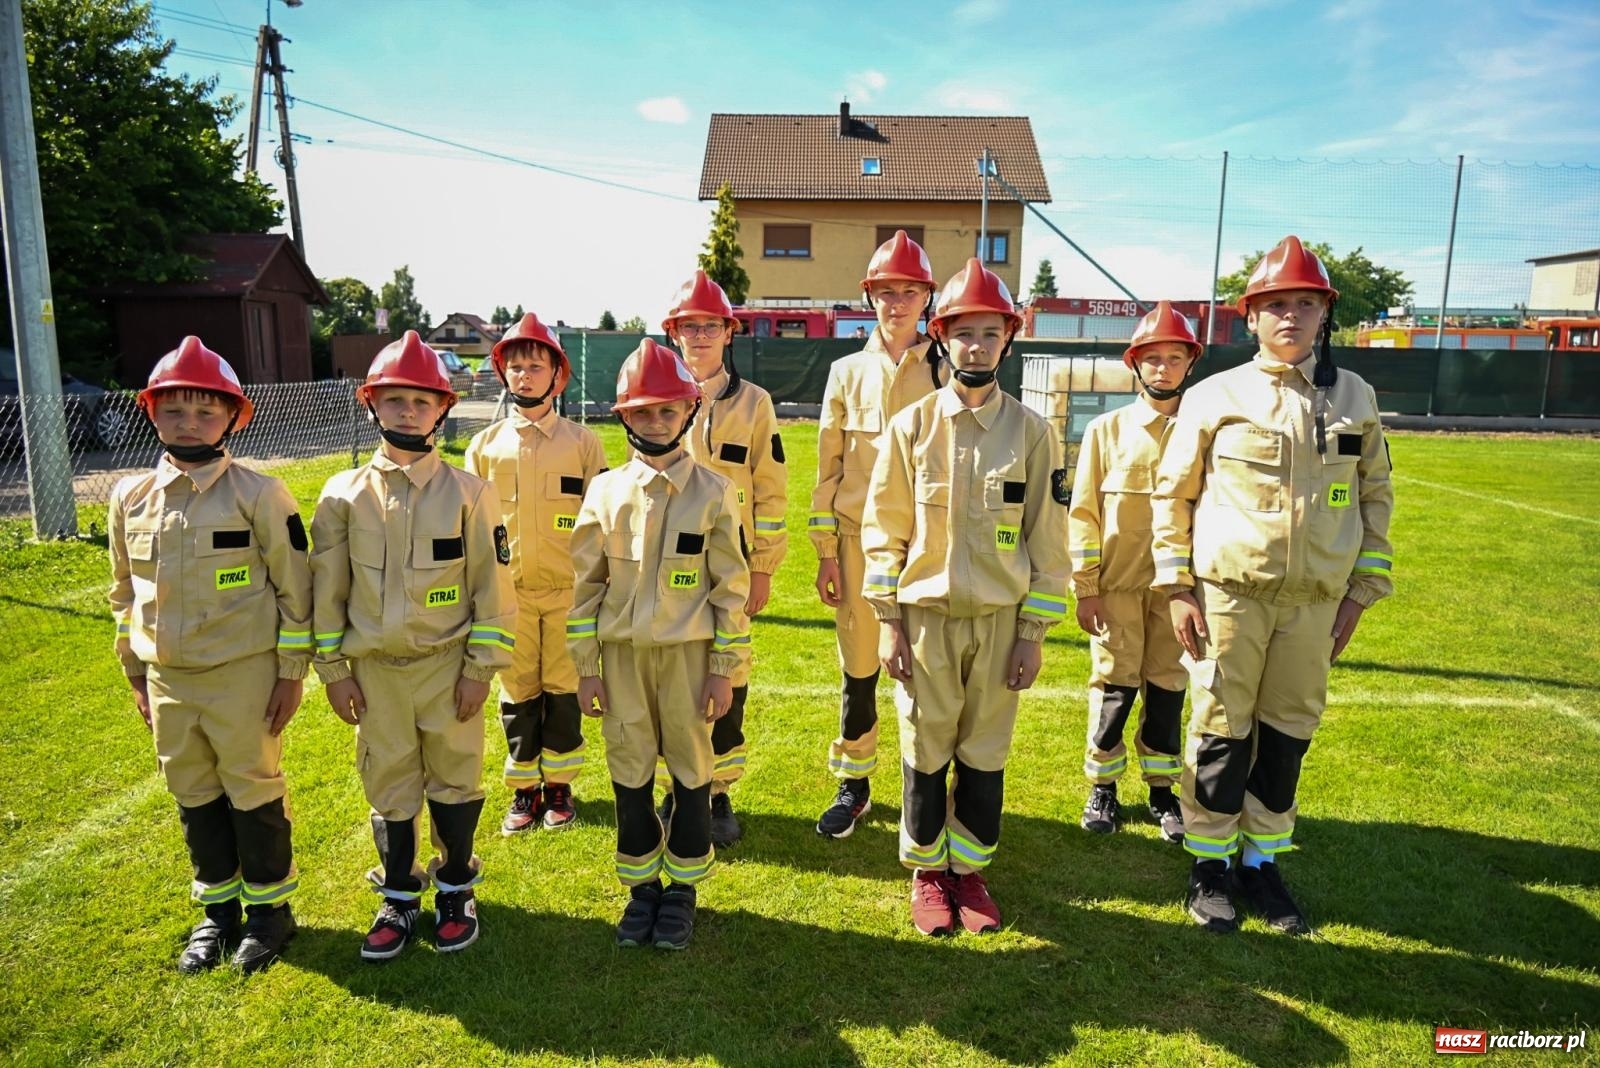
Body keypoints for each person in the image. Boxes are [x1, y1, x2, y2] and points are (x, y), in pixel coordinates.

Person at [1152, 236, 1394, 935]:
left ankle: (1262, 861)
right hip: (1231, 597)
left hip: (1316, 603)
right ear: (1250, 317)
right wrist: (1175, 587)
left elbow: (1376, 494)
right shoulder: (1213, 396)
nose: (1291, 317)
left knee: (1288, 733)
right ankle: (1209, 865)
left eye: (1306, 304)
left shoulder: (1356, 397)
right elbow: (1172, 496)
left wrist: (1360, 592)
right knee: (1222, 731)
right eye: (1276, 305)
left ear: (1325, 315)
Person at [862, 259, 1070, 936]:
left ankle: (969, 871)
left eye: (989, 332)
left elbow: (1048, 542)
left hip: (1001, 623)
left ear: (1008, 339)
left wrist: (1032, 635)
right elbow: (884, 530)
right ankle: (927, 871)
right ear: (941, 338)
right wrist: (888, 624)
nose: (975, 345)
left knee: (985, 750)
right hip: (924, 622)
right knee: (925, 747)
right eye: (963, 333)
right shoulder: (911, 429)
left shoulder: (1034, 434)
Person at [310, 330, 516, 961]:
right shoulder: (341, 496)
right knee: (390, 782)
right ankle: (399, 895)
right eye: (394, 399)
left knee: (455, 778)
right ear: (371, 403)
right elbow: (326, 593)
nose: (407, 411)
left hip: (448, 667)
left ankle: (455, 886)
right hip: (374, 674)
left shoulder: (470, 494)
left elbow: (493, 590)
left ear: (442, 409)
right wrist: (333, 670)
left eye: (421, 401)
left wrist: (481, 670)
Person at [108, 336, 310, 974]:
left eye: (204, 411)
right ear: (152, 411)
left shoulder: (260, 495)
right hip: (168, 681)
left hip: (243, 676)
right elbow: (123, 593)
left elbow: (294, 591)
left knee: (252, 789)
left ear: (233, 417)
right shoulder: (129, 498)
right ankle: (217, 913)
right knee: (192, 791)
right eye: (173, 410)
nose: (188, 423)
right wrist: (137, 672)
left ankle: (271, 914)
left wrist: (289, 674)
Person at [568, 339, 750, 950]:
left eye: (668, 411)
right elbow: (586, 589)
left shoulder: (716, 492)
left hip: (689, 662)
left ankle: (683, 889)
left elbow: (730, 592)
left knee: (693, 773)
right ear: (623, 416)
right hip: (620, 662)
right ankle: (642, 887)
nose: (656, 422)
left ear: (689, 412)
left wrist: (724, 669)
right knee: (629, 772)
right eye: (643, 411)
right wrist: (586, 669)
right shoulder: (603, 492)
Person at [810, 229, 945, 838]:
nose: (896, 303)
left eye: (908, 291)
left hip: (929, 549)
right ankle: (854, 784)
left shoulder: (945, 368)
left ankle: (929, 787)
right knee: (860, 668)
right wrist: (826, 553)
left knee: (932, 673)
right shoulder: (844, 373)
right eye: (885, 291)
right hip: (859, 546)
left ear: (926, 298)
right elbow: (827, 469)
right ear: (870, 298)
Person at [464, 312, 606, 836]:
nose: (524, 375)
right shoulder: (484, 447)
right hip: (508, 595)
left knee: (563, 689)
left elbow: (600, 524)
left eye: (535, 366)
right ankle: (524, 790)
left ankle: (560, 788)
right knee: (518, 690)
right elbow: (471, 527)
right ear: (503, 374)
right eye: (515, 366)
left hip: (568, 593)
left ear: (557, 376)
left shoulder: (584, 444)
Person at [658, 270, 787, 846]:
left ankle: (718, 793)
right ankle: (675, 788)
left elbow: (772, 490)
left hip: (733, 571)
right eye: (691, 326)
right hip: (667, 571)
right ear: (675, 333)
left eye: (711, 325)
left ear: (728, 332)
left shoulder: (755, 404)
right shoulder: (659, 400)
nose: (701, 335)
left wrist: (763, 566)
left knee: (727, 673)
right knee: (670, 676)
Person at [1070, 302, 1200, 844]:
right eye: (1152, 359)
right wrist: (1086, 587)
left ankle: (1163, 790)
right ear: (1136, 365)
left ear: (1189, 364)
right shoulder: (1108, 430)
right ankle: (1103, 787)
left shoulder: (1206, 430)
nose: (1163, 369)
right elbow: (1082, 511)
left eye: (1174, 358)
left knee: (1168, 689)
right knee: (1115, 686)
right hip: (1118, 589)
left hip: (1178, 592)